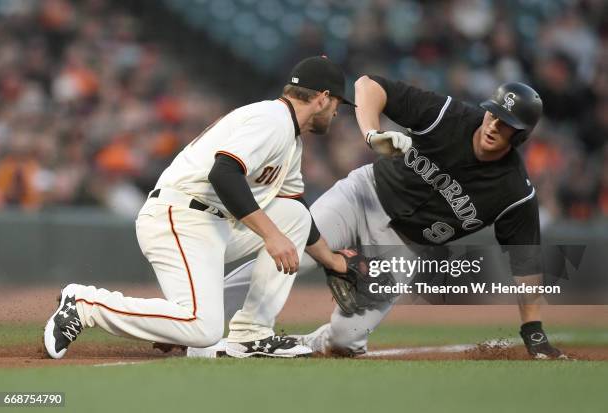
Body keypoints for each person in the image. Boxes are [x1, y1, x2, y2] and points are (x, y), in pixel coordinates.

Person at [193, 76, 565, 360]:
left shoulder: (514, 191)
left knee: (345, 341)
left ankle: (306, 345)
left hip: (403, 246)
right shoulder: (448, 116)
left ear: (521, 137)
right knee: (288, 251)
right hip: (362, 197)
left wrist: (532, 328)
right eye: (493, 114)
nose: (493, 126)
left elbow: (526, 260)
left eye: (506, 124)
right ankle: (194, 319)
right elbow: (368, 84)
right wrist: (371, 133)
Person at [43, 56, 354, 359]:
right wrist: (271, 236)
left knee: (294, 215)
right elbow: (224, 173)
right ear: (323, 98)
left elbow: (294, 206)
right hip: (180, 217)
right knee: (202, 330)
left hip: (211, 226)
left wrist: (332, 261)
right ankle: (84, 304)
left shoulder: (290, 138)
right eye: (339, 104)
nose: (338, 113)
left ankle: (252, 335)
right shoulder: (273, 119)